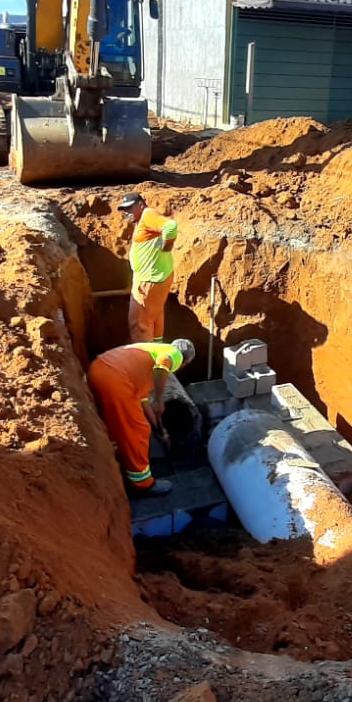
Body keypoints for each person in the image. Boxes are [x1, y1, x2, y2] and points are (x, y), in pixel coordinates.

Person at [86, 338, 195, 497]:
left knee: (118, 427)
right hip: (115, 379)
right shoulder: (175, 353)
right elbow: (162, 365)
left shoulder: (148, 356)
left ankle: (122, 465)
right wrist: (159, 400)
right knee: (138, 431)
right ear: (185, 362)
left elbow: (143, 401)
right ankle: (142, 484)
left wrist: (158, 428)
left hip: (98, 371)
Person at [119, 192, 178, 343]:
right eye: (124, 210)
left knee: (140, 324)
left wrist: (167, 246)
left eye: (130, 208)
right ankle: (157, 348)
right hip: (156, 279)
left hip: (148, 282)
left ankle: (145, 355)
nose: (127, 213)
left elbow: (171, 227)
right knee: (154, 316)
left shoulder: (147, 215)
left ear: (140, 205)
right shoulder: (144, 221)